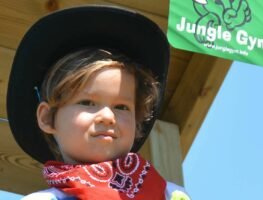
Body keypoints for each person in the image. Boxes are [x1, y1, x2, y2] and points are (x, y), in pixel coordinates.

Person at [6, 5, 191, 200]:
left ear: (137, 124)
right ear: (47, 118)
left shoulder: (170, 194)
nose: (108, 117)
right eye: (87, 102)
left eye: (121, 107)